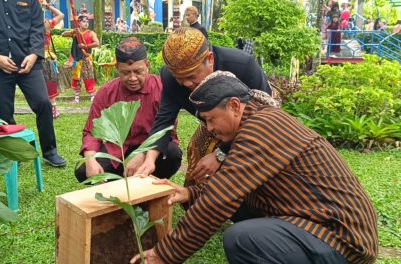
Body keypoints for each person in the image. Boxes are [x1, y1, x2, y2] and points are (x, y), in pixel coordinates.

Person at [131, 71, 378, 264]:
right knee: (240, 209)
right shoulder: (256, 121)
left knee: (242, 239)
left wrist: (166, 254)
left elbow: (220, 199)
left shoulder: (262, 127)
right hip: (318, 220)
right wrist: (190, 193)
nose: (208, 128)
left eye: (210, 119)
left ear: (235, 106)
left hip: (341, 240)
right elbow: (233, 186)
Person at [127, 28, 272, 194]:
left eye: (191, 76)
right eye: (179, 78)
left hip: (255, 127)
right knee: (198, 151)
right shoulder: (171, 79)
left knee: (242, 169)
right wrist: (150, 157)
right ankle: (195, 200)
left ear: (209, 59)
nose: (186, 84)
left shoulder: (242, 65)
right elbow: (163, 121)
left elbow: (265, 117)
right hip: (215, 125)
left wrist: (221, 154)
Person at [0, 0, 66, 167]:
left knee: (43, 102)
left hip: (28, 61)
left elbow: (37, 26)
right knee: (3, 112)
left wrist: (34, 54)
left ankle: (50, 152)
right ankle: (14, 153)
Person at [75, 37, 182, 183]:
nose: (132, 78)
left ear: (147, 65)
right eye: (125, 72)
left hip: (151, 150)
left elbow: (167, 130)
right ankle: (116, 194)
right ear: (117, 68)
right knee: (83, 170)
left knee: (172, 153)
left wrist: (144, 153)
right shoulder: (106, 92)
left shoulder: (162, 88)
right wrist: (90, 159)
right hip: (117, 150)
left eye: (138, 71)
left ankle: (148, 192)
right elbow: (92, 131)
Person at [62, 15, 100, 103]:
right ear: (79, 23)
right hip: (76, 59)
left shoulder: (91, 33)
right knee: (76, 78)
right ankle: (76, 98)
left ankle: (93, 97)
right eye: (84, 21)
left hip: (86, 58)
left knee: (88, 77)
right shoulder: (76, 32)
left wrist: (86, 46)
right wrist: (72, 32)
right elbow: (63, 34)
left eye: (87, 22)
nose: (86, 23)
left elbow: (97, 43)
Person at [42, 2, 64, 119]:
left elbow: (61, 15)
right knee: (47, 83)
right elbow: (61, 15)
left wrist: (48, 6)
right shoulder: (45, 24)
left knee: (51, 83)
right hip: (41, 58)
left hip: (47, 57)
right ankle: (51, 109)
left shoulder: (47, 24)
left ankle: (52, 109)